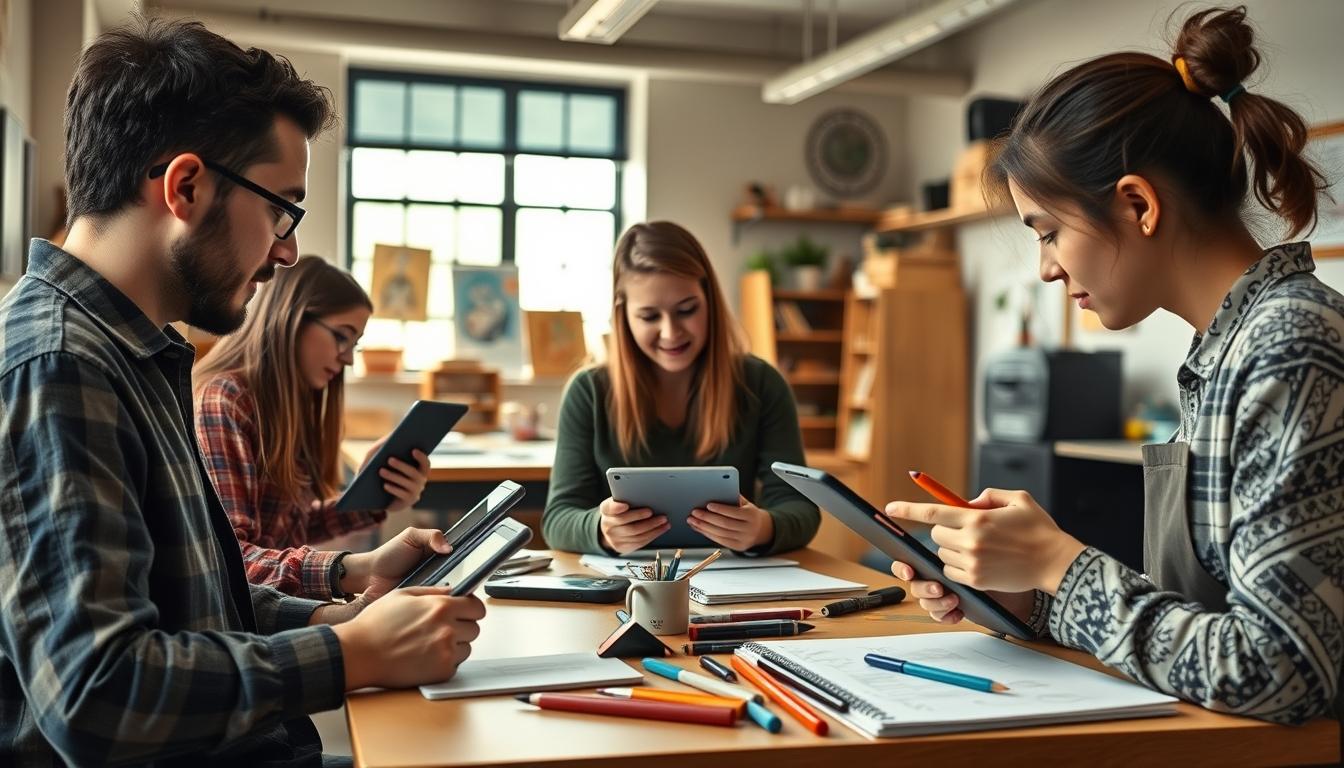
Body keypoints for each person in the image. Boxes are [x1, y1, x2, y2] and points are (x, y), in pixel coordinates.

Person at [0, 17, 485, 765]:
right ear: (186, 187)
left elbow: (196, 601)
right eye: (280, 210)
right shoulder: (62, 364)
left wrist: (340, 606)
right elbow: (96, 692)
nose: (287, 251)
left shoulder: (137, 350)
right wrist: (350, 654)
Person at [884, 6, 1343, 725]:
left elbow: (1277, 669)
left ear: (1137, 204)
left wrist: (1059, 568)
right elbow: (1206, 619)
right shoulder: (1226, 349)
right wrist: (1026, 596)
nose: (1045, 269)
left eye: (1049, 233)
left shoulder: (1290, 345)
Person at [543, 221, 820, 555]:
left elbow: (801, 508)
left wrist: (762, 527)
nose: (671, 332)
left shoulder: (761, 384)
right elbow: (557, 520)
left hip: (736, 580)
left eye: (687, 310)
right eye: (649, 316)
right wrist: (601, 530)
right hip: (626, 584)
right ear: (623, 315)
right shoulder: (589, 392)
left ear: (710, 301)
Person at [195, 255, 434, 601]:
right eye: (342, 336)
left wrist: (372, 497)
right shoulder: (225, 402)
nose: (349, 358)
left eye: (355, 344)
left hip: (278, 606)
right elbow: (233, 560)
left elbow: (288, 527)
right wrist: (355, 568)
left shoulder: (286, 406)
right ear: (291, 318)